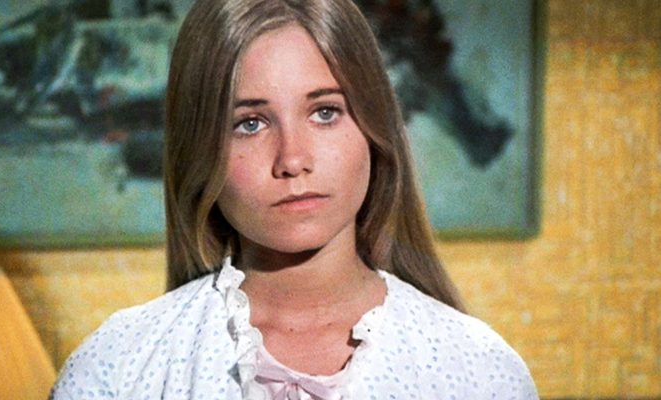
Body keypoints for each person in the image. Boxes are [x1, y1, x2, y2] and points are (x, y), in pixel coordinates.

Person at [50, 0, 539, 398]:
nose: (293, 160)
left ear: (374, 130)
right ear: (201, 149)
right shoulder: (119, 366)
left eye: (325, 112)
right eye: (250, 123)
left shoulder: (480, 372)